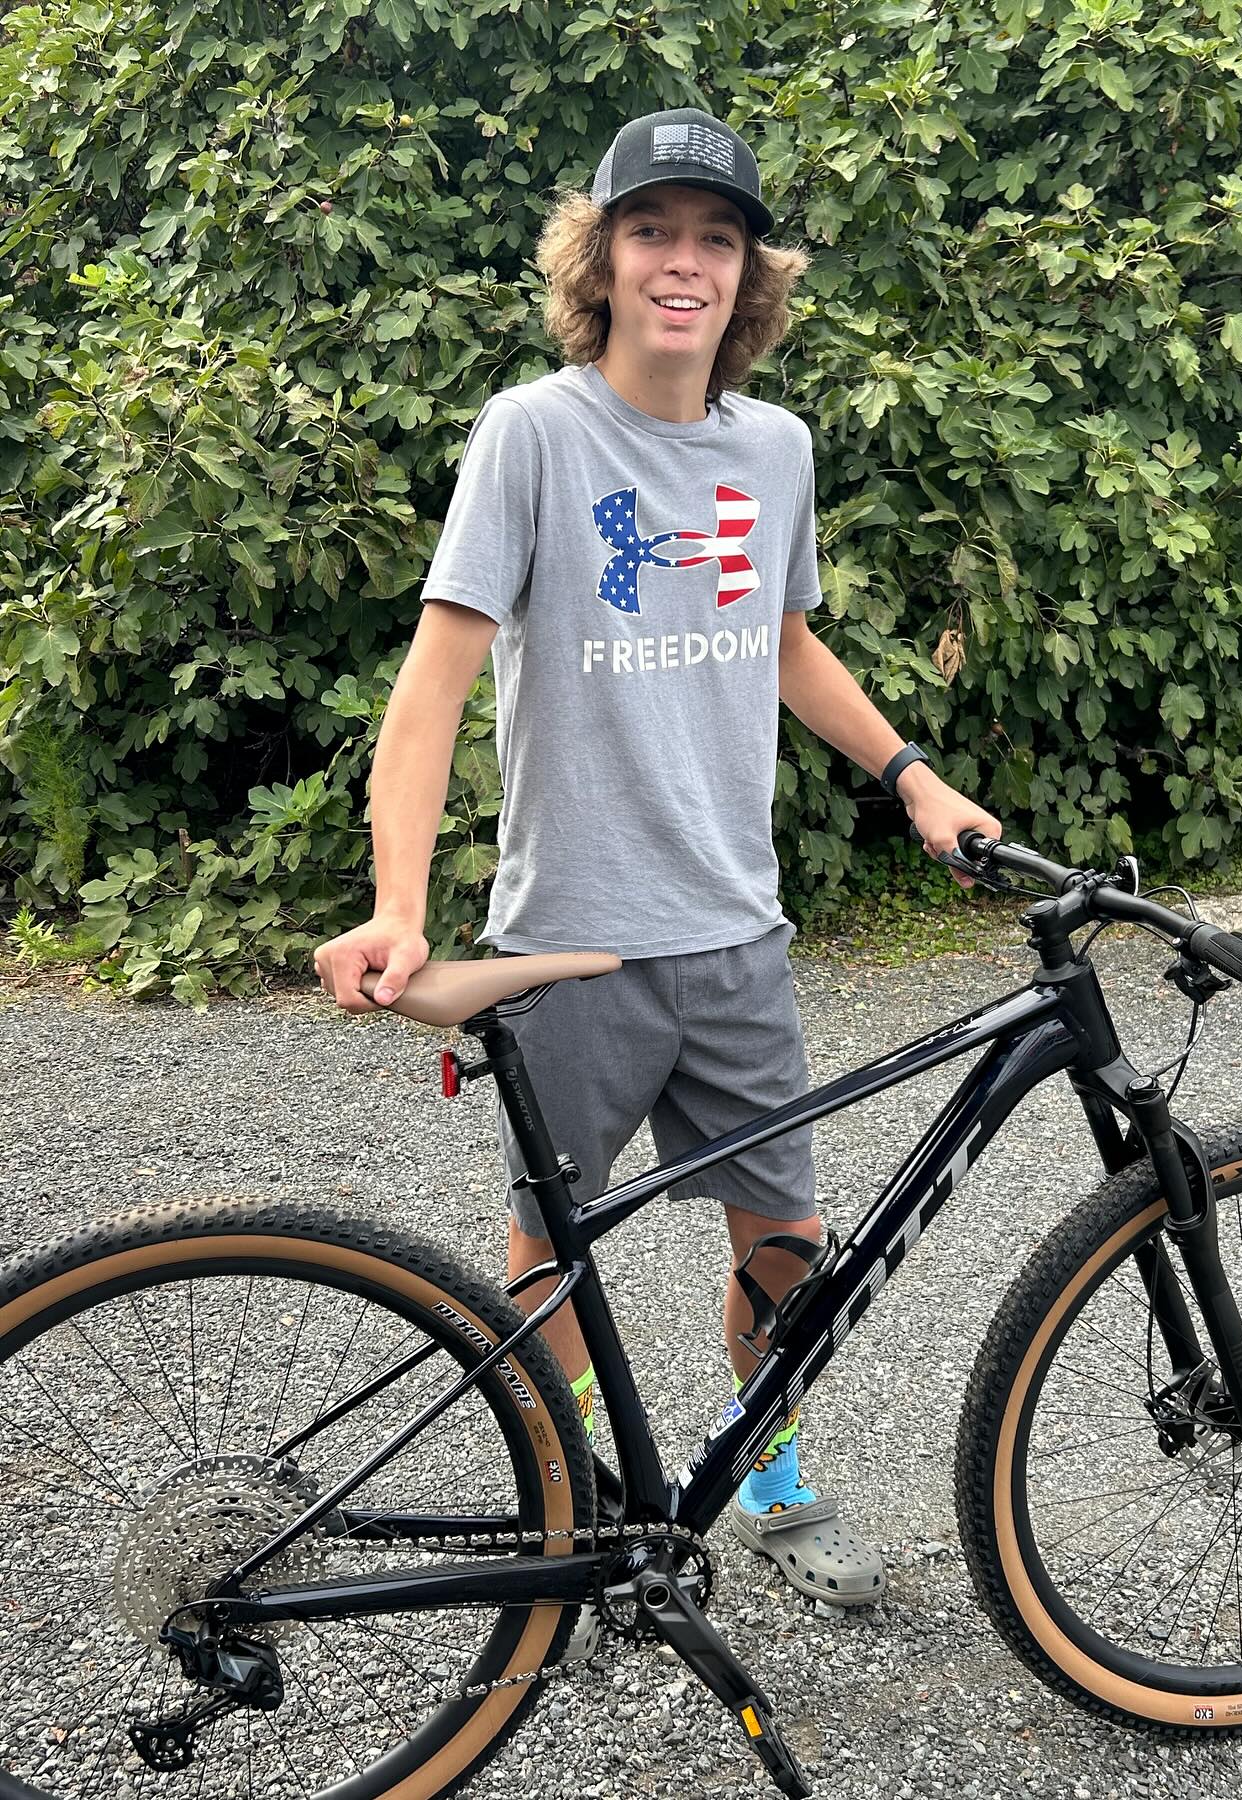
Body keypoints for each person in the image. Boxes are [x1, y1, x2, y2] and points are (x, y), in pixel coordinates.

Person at [315, 106, 1000, 1635]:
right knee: (543, 1256)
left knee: (790, 1253)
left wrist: (912, 775)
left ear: (750, 273)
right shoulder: (536, 435)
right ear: (603, 260)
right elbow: (431, 688)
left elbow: (784, 645)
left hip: (737, 934)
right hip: (572, 939)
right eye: (652, 233)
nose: (683, 264)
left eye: (716, 238)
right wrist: (401, 904)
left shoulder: (777, 447)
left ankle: (766, 1474)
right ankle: (573, 1505)